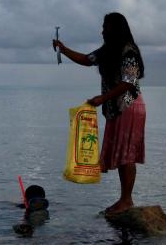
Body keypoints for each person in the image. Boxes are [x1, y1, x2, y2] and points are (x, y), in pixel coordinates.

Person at [53, 12, 145, 214]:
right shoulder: (108, 50)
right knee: (123, 154)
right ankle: (124, 199)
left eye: (105, 27)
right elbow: (87, 60)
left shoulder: (128, 51)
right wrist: (64, 49)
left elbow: (129, 82)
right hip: (117, 108)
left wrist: (102, 98)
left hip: (129, 106)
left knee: (127, 154)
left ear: (115, 29)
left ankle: (126, 200)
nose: (102, 31)